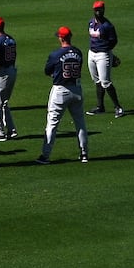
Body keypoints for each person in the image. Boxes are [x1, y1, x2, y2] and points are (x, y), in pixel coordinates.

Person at [37, 26, 89, 165]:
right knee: (80, 123)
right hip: (77, 89)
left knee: (52, 124)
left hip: (60, 91)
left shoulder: (55, 54)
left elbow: (47, 70)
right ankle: (84, 154)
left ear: (61, 38)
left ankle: (45, 156)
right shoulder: (78, 52)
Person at [86, 0, 125, 117]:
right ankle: (100, 107)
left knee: (105, 82)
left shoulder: (108, 26)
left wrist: (110, 55)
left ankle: (118, 107)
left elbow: (114, 41)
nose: (98, 11)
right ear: (93, 10)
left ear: (104, 10)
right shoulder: (91, 23)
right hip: (91, 53)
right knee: (97, 81)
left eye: (100, 9)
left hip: (103, 54)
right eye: (97, 9)